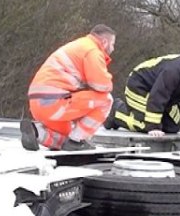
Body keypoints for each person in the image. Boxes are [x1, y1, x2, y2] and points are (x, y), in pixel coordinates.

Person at [20, 24, 117, 152]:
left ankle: (37, 132)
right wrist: (109, 81)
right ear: (104, 42)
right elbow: (101, 85)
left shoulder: (79, 46)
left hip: (38, 105)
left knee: (65, 138)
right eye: (112, 44)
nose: (113, 48)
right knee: (106, 100)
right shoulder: (92, 50)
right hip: (55, 102)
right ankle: (78, 141)